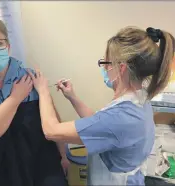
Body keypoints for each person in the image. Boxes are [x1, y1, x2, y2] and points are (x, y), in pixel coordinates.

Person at [27, 27, 175, 186]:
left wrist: (43, 91)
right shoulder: (139, 98)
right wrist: (72, 97)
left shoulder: (122, 117)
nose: (104, 69)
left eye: (105, 63)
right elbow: (99, 123)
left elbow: (51, 131)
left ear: (122, 68)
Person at [0, 14, 69, 186]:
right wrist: (15, 98)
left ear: (8, 46)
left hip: (42, 162)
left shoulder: (30, 76)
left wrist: (64, 156)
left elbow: (53, 119)